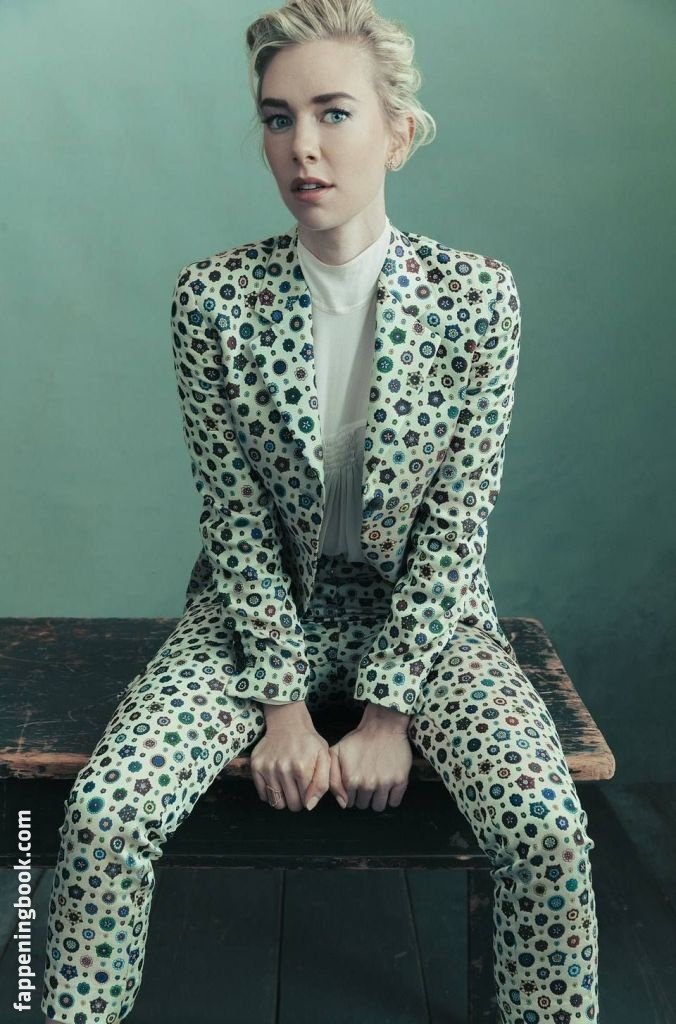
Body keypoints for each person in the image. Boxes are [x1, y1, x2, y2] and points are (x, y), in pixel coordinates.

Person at [41, 1, 600, 1021]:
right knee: (107, 809)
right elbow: (235, 520)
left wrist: (388, 715)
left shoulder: (478, 298)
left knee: (546, 825)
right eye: (277, 117)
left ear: (397, 130)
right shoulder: (213, 299)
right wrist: (284, 707)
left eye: (333, 112)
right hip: (255, 617)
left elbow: (457, 523)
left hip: (428, 623)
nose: (302, 145)